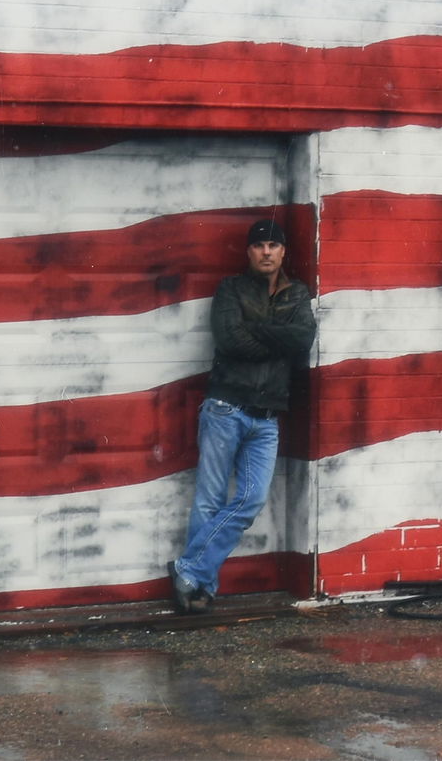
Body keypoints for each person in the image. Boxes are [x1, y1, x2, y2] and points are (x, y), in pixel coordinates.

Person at [169, 218, 316, 614]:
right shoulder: (231, 289)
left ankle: (188, 569)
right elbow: (230, 340)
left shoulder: (297, 292)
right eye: (259, 246)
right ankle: (201, 589)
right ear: (248, 252)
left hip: (267, 417)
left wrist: (257, 329)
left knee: (250, 500)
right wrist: (276, 336)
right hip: (225, 408)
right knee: (210, 499)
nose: (266, 252)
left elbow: (302, 338)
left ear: (284, 251)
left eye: (273, 245)